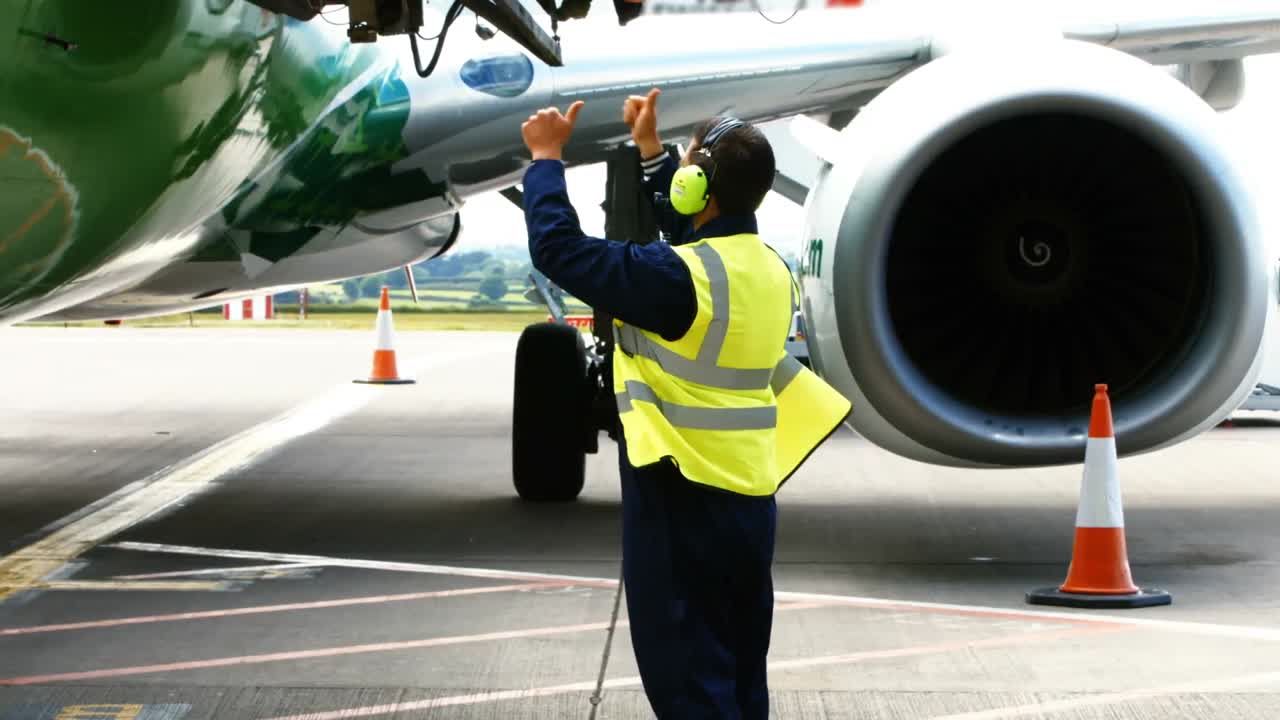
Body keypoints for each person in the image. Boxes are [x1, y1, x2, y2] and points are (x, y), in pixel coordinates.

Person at [520, 89, 850, 719]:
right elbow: (693, 234)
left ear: (698, 185)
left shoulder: (678, 278)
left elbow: (559, 251)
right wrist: (653, 153)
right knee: (738, 672)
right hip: (749, 500)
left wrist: (545, 158)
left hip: (680, 501)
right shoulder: (764, 269)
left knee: (689, 682)